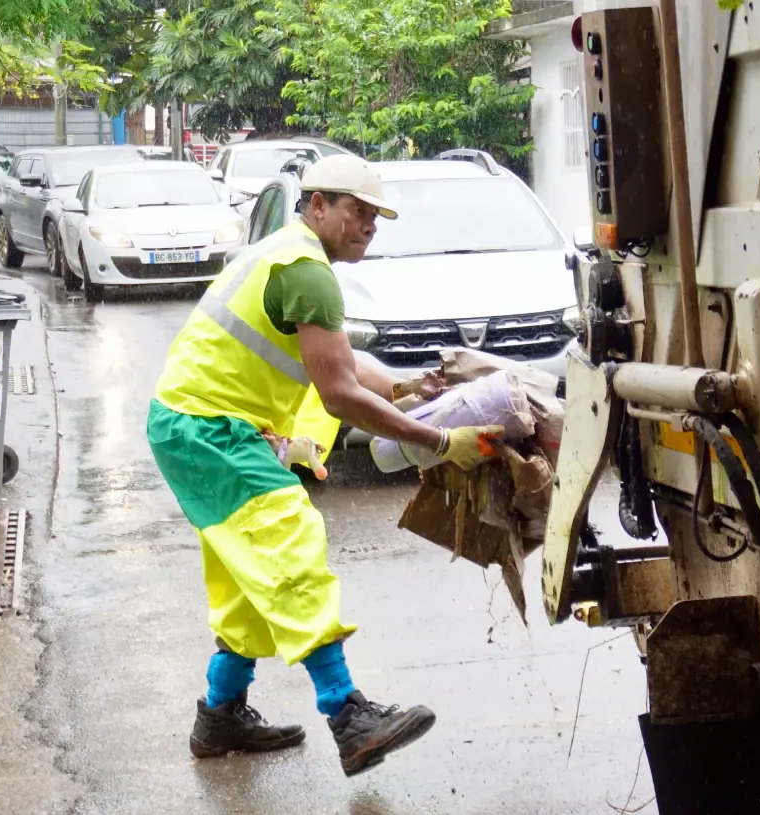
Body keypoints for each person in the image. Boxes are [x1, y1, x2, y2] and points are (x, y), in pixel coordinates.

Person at [146, 154, 503, 776]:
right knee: (289, 543)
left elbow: (343, 364)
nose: (366, 226)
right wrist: (440, 443)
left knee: (247, 575)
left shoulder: (291, 257)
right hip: (209, 428)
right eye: (355, 211)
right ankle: (348, 715)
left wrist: (410, 387)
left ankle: (221, 714)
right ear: (317, 205)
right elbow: (338, 393)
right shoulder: (308, 271)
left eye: (374, 216)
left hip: (196, 424)